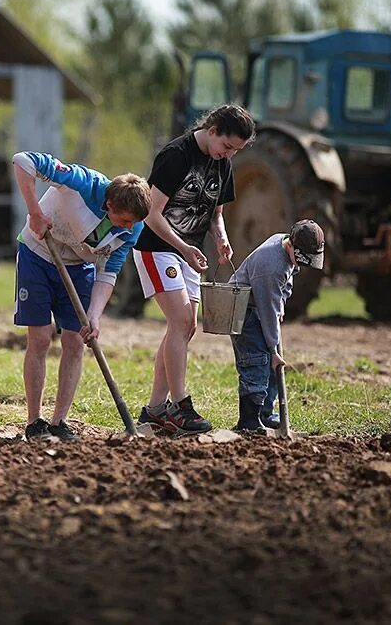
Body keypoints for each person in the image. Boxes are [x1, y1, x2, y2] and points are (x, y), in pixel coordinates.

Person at [132, 103, 256, 435]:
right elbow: (152, 214)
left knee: (185, 329)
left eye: (236, 151)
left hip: (189, 253)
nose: (228, 155)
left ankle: (155, 410)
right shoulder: (176, 155)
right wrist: (184, 247)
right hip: (157, 248)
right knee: (181, 320)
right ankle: (179, 405)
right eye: (227, 146)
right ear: (212, 130)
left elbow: (215, 214)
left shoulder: (223, 164)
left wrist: (221, 239)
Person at [13, 151, 151, 441]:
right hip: (37, 254)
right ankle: (34, 422)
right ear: (109, 204)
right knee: (39, 338)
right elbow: (23, 160)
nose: (128, 228)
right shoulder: (81, 182)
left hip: (78, 267)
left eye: (133, 223)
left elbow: (108, 272)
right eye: (124, 220)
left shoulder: (133, 227)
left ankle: (59, 422)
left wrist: (95, 315)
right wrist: (35, 212)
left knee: (76, 341)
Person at [230, 219, 325, 432]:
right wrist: (273, 349)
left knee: (272, 367)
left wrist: (282, 302)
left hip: (259, 305)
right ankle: (249, 421)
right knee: (257, 363)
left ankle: (265, 414)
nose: (301, 265)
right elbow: (267, 310)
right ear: (291, 245)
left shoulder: (285, 246)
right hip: (243, 309)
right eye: (301, 259)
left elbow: (286, 282)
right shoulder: (270, 267)